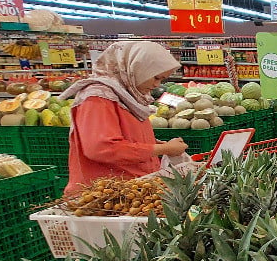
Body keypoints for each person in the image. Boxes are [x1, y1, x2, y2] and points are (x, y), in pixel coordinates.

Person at [61, 41, 187, 195]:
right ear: (136, 68)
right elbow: (102, 148)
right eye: (155, 77)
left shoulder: (130, 95)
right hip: (103, 196)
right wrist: (163, 149)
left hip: (132, 189)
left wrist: (158, 145)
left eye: (161, 80)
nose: (156, 85)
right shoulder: (97, 98)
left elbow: (127, 136)